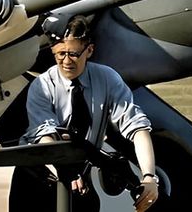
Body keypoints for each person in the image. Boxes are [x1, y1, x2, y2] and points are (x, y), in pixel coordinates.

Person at [11, 15, 159, 212]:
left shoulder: (107, 79)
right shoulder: (42, 86)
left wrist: (149, 177)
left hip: (80, 173)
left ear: (89, 50)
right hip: (41, 172)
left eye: (73, 54)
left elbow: (137, 126)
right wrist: (65, 172)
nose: (66, 61)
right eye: (60, 54)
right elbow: (45, 138)